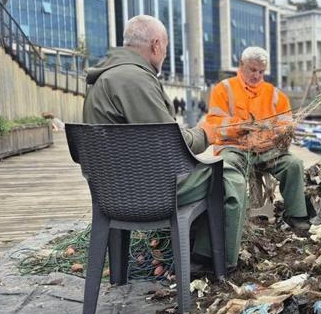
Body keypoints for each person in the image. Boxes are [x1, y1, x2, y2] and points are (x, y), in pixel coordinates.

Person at [82, 15, 218, 272]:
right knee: (226, 173)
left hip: (112, 191)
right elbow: (170, 145)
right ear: (156, 45)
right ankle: (210, 261)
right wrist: (206, 133)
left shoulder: (105, 75)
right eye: (166, 47)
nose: (165, 53)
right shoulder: (135, 80)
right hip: (146, 194)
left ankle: (188, 253)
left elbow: (155, 137)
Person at [200, 47, 309, 267]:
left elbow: (285, 123)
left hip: (266, 150)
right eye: (252, 70)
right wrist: (238, 128)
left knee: (294, 164)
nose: (256, 75)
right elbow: (214, 125)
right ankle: (228, 236)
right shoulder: (224, 89)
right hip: (234, 148)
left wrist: (280, 133)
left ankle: (297, 217)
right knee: (228, 172)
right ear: (241, 65)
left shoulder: (275, 94)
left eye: (261, 71)